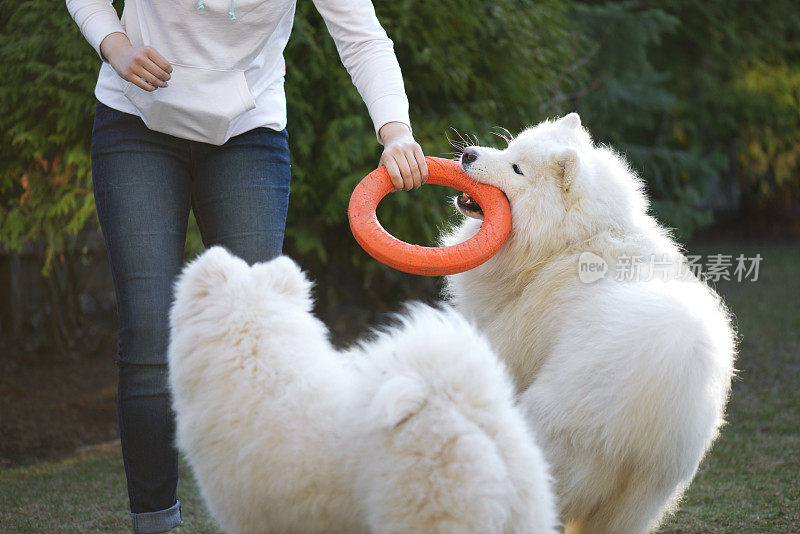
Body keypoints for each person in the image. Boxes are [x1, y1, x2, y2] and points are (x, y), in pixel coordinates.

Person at [66, 1, 428, 532]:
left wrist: (395, 131)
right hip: (135, 120)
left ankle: (267, 516)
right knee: (146, 332)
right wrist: (115, 45)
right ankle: (156, 523)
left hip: (248, 131)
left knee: (259, 340)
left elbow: (363, 36)